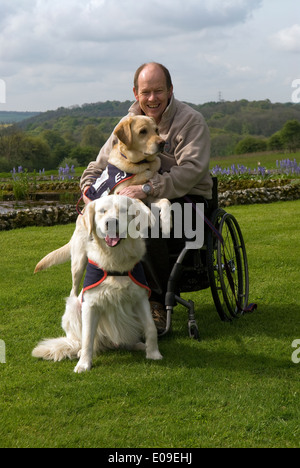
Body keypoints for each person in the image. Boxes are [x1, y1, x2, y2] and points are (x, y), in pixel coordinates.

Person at [80, 62, 213, 334]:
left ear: (170, 90)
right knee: (108, 221)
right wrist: (88, 192)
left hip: (190, 202)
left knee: (144, 220)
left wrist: (150, 189)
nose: (152, 98)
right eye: (146, 92)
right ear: (135, 93)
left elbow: (191, 171)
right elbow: (99, 164)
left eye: (158, 91)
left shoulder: (190, 121)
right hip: (140, 196)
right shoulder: (126, 124)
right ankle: (102, 300)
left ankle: (155, 302)